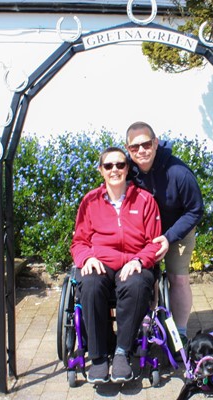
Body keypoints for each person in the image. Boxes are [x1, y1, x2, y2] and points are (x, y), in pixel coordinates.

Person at [70, 146, 161, 384]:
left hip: (133, 261)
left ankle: (122, 352)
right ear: (101, 170)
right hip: (100, 261)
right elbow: (79, 241)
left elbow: (154, 242)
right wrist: (87, 258)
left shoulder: (145, 200)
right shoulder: (90, 201)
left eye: (120, 165)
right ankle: (99, 358)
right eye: (108, 165)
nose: (114, 170)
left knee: (138, 284)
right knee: (89, 284)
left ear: (127, 169)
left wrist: (140, 259)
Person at [125, 121, 204, 349]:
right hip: (142, 233)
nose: (141, 150)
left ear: (156, 143)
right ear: (128, 149)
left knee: (177, 278)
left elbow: (195, 210)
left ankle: (179, 333)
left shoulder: (179, 173)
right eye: (134, 147)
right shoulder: (126, 170)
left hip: (177, 230)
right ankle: (144, 320)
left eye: (146, 144)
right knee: (139, 277)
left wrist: (168, 237)